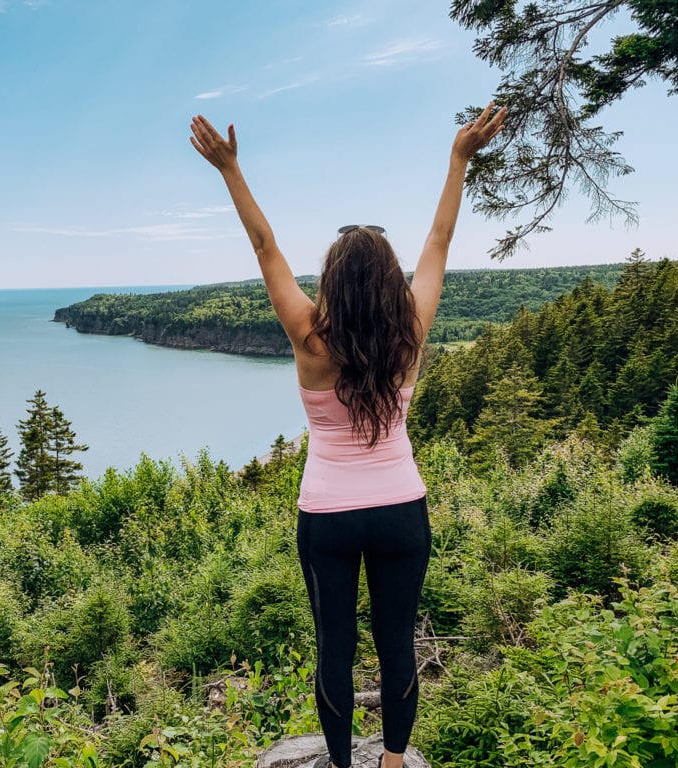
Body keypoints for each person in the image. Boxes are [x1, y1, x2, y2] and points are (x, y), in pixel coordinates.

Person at [189, 102, 507, 768]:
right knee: (396, 644)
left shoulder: (310, 338)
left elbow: (265, 247)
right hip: (400, 511)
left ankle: (339, 765)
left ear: (330, 281)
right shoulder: (409, 332)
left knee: (335, 645)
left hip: (327, 515)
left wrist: (230, 170)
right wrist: (459, 160)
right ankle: (392, 762)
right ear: (389, 282)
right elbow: (440, 244)